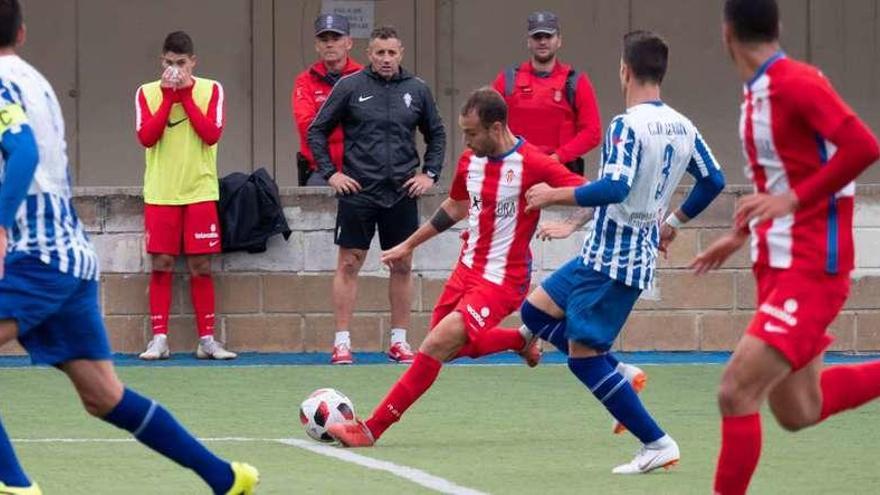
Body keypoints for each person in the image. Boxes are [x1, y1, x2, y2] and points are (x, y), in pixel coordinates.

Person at [0, 1, 259, 493]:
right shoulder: (35, 81)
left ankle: (15, 486)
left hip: (35, 257)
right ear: (24, 31)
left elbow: (25, 154)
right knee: (104, 396)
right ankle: (225, 476)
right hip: (71, 257)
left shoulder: (1, 82)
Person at [326, 87, 587, 447]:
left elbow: (593, 191)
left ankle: (371, 429)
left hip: (502, 280)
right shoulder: (470, 162)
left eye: (471, 133)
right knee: (446, 348)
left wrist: (569, 224)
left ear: (496, 128)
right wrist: (408, 244)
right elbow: (454, 207)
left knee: (434, 346)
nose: (466, 140)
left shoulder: (533, 162)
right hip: (466, 270)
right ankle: (521, 339)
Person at [519, 31, 726, 474]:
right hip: (605, 252)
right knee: (534, 314)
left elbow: (615, 186)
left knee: (583, 360)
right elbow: (714, 180)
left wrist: (555, 193)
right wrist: (672, 224)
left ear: (624, 71)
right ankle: (622, 375)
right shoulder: (682, 125)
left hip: (615, 258)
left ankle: (656, 442)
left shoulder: (626, 124)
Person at [695, 1, 880, 493]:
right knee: (800, 410)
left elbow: (864, 146)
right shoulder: (756, 94)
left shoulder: (796, 82)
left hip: (813, 266)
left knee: (736, 390)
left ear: (726, 32)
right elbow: (776, 182)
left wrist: (792, 200)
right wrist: (740, 234)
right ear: (776, 26)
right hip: (776, 266)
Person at [308, 25, 446, 365]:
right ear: (369, 54)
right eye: (379, 53)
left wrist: (429, 174)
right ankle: (341, 342)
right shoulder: (350, 86)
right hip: (359, 192)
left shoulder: (417, 89)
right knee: (349, 264)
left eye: (391, 53)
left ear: (401, 54)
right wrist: (332, 174)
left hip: (401, 193)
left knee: (402, 265)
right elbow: (317, 131)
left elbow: (437, 134)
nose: (386, 59)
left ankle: (399, 341)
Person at [135, 31, 236, 360]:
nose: (175, 69)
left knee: (201, 266)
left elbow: (211, 134)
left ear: (193, 62)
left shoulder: (212, 89)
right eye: (168, 63)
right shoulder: (147, 92)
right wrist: (168, 98)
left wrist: (187, 96)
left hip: (199, 190)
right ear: (160, 62)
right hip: (162, 191)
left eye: (181, 63)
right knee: (162, 263)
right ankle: (159, 339)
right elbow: (147, 138)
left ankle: (207, 340)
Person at [492, 10, 601, 175]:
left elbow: (592, 132)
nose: (543, 42)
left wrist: (557, 158)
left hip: (560, 173)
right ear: (529, 41)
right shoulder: (506, 80)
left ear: (559, 41)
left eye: (548, 36)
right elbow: (485, 123)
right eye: (537, 37)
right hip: (514, 172)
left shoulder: (576, 81)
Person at [292, 14, 362, 186]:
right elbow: (307, 127)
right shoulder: (305, 80)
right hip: (321, 171)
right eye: (323, 39)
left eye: (336, 38)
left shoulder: (364, 77)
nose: (329, 44)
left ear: (349, 43)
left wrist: (325, 124)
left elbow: (373, 125)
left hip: (361, 169)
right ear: (317, 46)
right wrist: (348, 123)